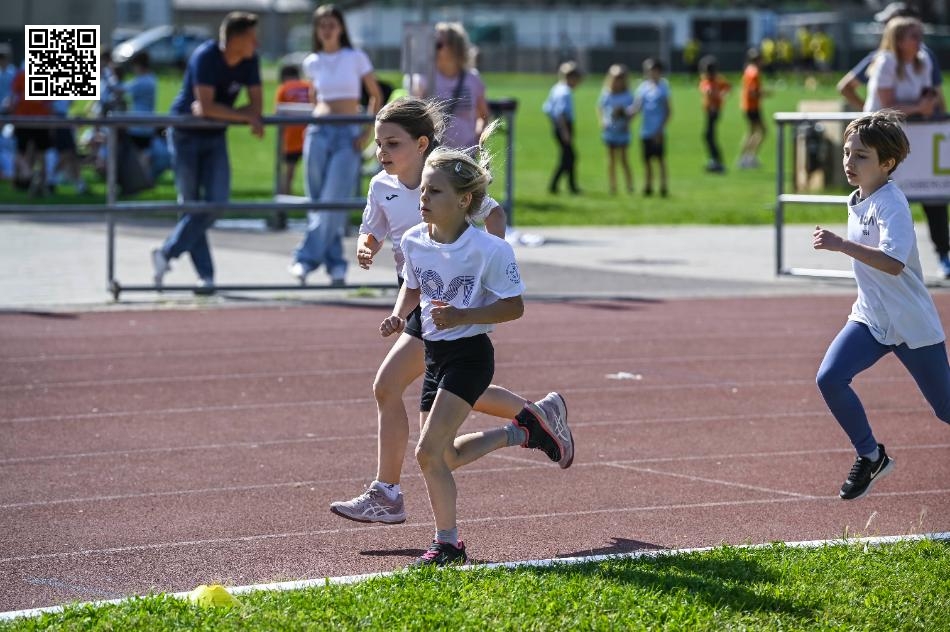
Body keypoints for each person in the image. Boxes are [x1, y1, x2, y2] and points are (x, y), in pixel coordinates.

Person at [330, 97, 571, 529]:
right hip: (419, 295)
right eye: (378, 143)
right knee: (449, 403)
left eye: (392, 143)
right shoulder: (381, 186)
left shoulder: (444, 180)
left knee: (389, 386)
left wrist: (487, 271)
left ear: (421, 145)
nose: (382, 151)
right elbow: (373, 230)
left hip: (446, 299)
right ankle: (533, 418)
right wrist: (367, 247)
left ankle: (388, 493)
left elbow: (492, 214)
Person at [378, 124, 574, 567]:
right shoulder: (413, 240)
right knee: (444, 455)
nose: (423, 198)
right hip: (435, 355)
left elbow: (514, 307)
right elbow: (413, 285)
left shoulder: (488, 250)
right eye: (423, 190)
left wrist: (463, 316)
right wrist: (399, 314)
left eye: (435, 191)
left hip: (470, 356)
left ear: (464, 200)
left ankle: (448, 545)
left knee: (427, 453)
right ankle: (522, 431)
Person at [814, 110, 950, 501]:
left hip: (910, 323)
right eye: (847, 152)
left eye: (861, 156)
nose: (849, 162)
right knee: (829, 378)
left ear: (887, 163)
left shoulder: (892, 204)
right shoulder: (858, 197)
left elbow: (892, 263)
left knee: (945, 409)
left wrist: (841, 245)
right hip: (872, 319)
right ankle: (871, 456)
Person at [151, 12, 264, 290]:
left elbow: (255, 108)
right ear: (235, 39)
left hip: (215, 136)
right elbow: (206, 106)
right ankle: (206, 276)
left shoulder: (251, 61)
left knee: (216, 203)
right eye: (251, 38)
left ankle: (166, 253)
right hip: (185, 135)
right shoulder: (205, 56)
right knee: (192, 206)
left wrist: (219, 113)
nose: (256, 43)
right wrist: (239, 115)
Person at [837, 4, 950, 279]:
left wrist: (933, 110)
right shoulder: (884, 61)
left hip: (917, 140)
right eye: (913, 35)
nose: (920, 40)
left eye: (920, 34)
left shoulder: (924, 59)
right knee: (885, 196)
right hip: (882, 139)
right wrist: (871, 116)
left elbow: (932, 95)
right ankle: (877, 252)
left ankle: (942, 254)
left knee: (933, 197)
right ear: (898, 39)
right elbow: (885, 106)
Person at [288, 4, 383, 287]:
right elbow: (314, 97)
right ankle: (335, 264)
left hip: (347, 133)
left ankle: (305, 258)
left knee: (333, 199)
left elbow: (375, 95)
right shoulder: (312, 61)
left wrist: (366, 132)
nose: (327, 30)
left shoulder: (355, 57)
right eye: (322, 25)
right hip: (318, 132)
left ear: (341, 28)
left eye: (332, 24)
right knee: (317, 200)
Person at [405, 21, 489, 151]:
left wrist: (478, 141)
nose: (432, 48)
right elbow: (414, 118)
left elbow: (483, 115)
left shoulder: (473, 79)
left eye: (438, 44)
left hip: (467, 154)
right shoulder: (424, 79)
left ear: (455, 47)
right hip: (434, 154)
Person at [8, 63, 53, 196]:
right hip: (28, 119)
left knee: (32, 152)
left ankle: (34, 178)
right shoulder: (23, 77)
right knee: (32, 152)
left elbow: (13, 98)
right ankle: (31, 178)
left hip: (34, 119)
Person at [631, 58, 671, 197]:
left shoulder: (663, 87)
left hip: (658, 131)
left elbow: (668, 111)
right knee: (646, 160)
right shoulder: (643, 87)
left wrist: (660, 129)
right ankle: (648, 186)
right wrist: (626, 115)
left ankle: (663, 186)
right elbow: (636, 107)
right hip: (646, 130)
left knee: (660, 159)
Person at [542, 60, 582, 195]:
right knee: (569, 157)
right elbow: (561, 113)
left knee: (569, 157)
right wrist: (565, 132)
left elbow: (547, 108)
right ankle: (555, 185)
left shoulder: (556, 88)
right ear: (571, 78)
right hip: (564, 127)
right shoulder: (565, 92)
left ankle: (571, 186)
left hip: (558, 126)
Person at [597, 64, 634, 194]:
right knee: (611, 160)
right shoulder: (606, 93)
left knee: (624, 159)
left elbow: (633, 111)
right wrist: (602, 121)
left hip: (623, 129)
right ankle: (613, 186)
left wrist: (625, 114)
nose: (618, 82)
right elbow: (600, 107)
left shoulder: (627, 95)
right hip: (610, 129)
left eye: (620, 79)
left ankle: (629, 186)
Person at [274, 64, 310, 197]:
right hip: (310, 133)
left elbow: (278, 113)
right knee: (314, 170)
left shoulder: (283, 88)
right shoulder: (309, 86)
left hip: (292, 136)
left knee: (289, 172)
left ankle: (285, 197)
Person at [121, 51, 158, 178]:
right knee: (144, 152)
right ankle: (144, 177)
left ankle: (141, 177)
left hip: (138, 124)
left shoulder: (143, 81)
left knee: (139, 154)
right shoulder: (151, 78)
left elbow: (122, 89)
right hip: (147, 123)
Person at [698, 55, 731, 174]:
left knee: (708, 136)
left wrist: (719, 96)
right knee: (709, 136)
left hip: (713, 111)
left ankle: (717, 161)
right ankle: (715, 160)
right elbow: (727, 88)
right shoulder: (714, 80)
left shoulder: (712, 81)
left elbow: (711, 91)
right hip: (711, 111)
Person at [738, 48, 767, 169]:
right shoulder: (754, 72)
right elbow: (752, 91)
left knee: (752, 132)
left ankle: (744, 158)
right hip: (752, 106)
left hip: (748, 105)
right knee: (761, 131)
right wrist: (763, 93)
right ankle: (748, 157)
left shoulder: (748, 70)